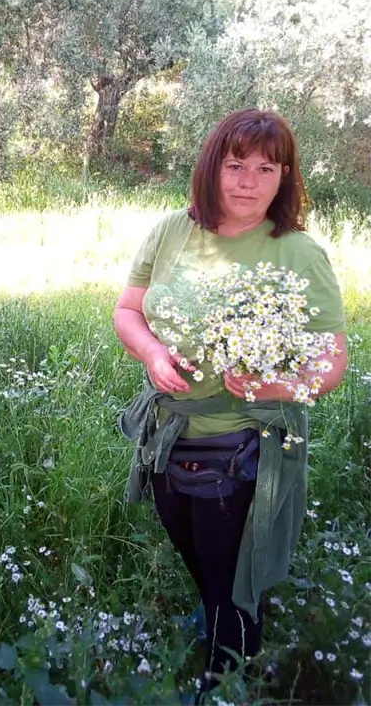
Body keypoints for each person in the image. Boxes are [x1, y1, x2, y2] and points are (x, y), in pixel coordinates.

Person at [113, 109, 348, 701]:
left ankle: (227, 676)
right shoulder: (171, 230)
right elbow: (128, 309)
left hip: (245, 444)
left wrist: (272, 386)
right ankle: (224, 626)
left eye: (264, 167)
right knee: (195, 554)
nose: (247, 180)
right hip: (169, 432)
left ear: (284, 176)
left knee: (230, 575)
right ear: (211, 168)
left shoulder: (299, 254)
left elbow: (331, 362)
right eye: (234, 164)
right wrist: (150, 355)